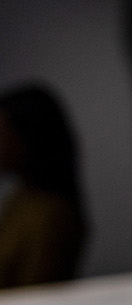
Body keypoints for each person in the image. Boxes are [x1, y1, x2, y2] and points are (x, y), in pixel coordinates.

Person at [0, 84, 87, 289]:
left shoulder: (49, 215)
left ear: (29, 137)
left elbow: (32, 297)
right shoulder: (21, 198)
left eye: (2, 134)